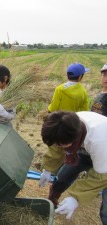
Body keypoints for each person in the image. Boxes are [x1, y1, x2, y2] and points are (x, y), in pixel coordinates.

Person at [40, 111, 107, 224]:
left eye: (61, 144)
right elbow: (56, 147)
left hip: (104, 156)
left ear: (73, 140)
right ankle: (53, 200)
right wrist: (48, 169)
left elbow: (101, 176)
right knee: (63, 176)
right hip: (86, 151)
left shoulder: (99, 140)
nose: (58, 146)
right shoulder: (64, 124)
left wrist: (76, 197)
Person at [39, 62, 90, 207]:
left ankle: (49, 174)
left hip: (58, 127)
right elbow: (84, 111)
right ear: (80, 77)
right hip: (73, 130)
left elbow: (53, 108)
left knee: (54, 151)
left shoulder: (60, 89)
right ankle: (61, 174)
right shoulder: (82, 92)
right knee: (69, 154)